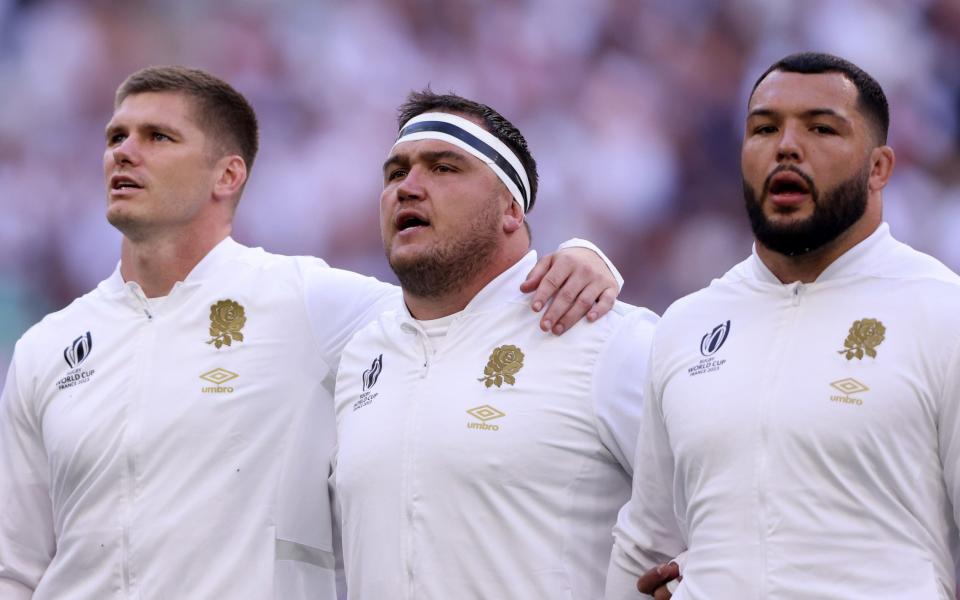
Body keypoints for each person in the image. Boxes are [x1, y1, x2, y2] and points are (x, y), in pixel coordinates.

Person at [0, 66, 624, 600]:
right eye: (116, 136)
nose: (124, 152)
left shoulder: (307, 303)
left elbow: (459, 308)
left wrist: (583, 255)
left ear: (228, 175)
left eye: (157, 136)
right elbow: (15, 565)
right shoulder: (47, 348)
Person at [605, 51, 960, 600]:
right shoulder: (688, 323)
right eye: (764, 128)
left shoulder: (942, 312)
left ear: (879, 167)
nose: (786, 145)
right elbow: (647, 542)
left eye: (821, 128)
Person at [331, 90, 658, 599]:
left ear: (510, 207)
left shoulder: (602, 336)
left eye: (443, 168)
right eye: (395, 173)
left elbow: (727, 506)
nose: (408, 187)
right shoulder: (361, 353)